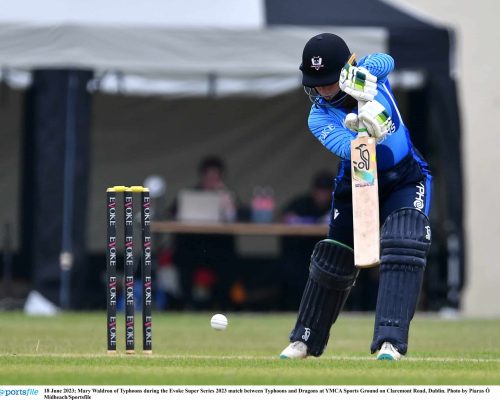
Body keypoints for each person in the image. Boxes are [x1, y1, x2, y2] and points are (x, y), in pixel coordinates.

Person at [280, 33, 432, 361]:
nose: (322, 89)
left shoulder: (368, 74)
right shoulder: (317, 116)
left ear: (347, 69)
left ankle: (389, 343)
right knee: (334, 257)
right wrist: (363, 132)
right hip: (358, 181)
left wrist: (362, 81)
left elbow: (386, 60)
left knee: (404, 240)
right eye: (315, 82)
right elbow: (346, 150)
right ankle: (304, 340)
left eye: (328, 81)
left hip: (404, 177)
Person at [169, 156, 243, 310]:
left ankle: (221, 304)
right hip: (192, 245)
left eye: (216, 177)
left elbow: (235, 218)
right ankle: (187, 304)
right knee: (183, 258)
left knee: (229, 262)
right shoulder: (188, 194)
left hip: (218, 246)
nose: (212, 180)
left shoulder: (227, 196)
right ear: (202, 176)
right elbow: (173, 216)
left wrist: (225, 197)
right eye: (209, 176)